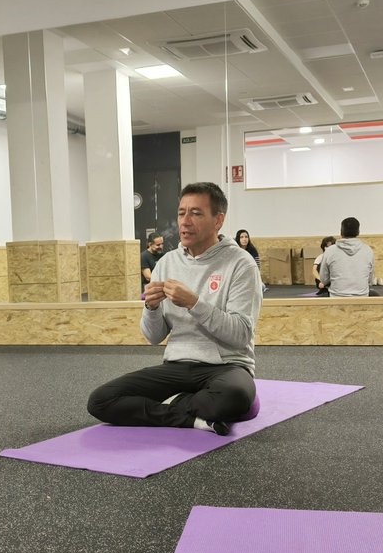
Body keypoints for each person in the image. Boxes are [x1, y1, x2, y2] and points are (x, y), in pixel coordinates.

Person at [87, 182, 262, 435]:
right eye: (181, 213)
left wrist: (194, 303)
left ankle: (176, 403)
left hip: (226, 366)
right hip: (176, 366)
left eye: (196, 213)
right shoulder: (167, 263)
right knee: (101, 400)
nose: (185, 221)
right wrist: (151, 307)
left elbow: (241, 334)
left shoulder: (241, 263)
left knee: (234, 395)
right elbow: (153, 337)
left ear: (218, 220)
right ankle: (193, 417)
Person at [317, 218, 374, 297]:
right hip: (362, 297)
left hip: (336, 297)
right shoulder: (368, 250)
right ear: (358, 232)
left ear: (341, 232)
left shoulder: (330, 251)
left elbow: (323, 280)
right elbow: (370, 280)